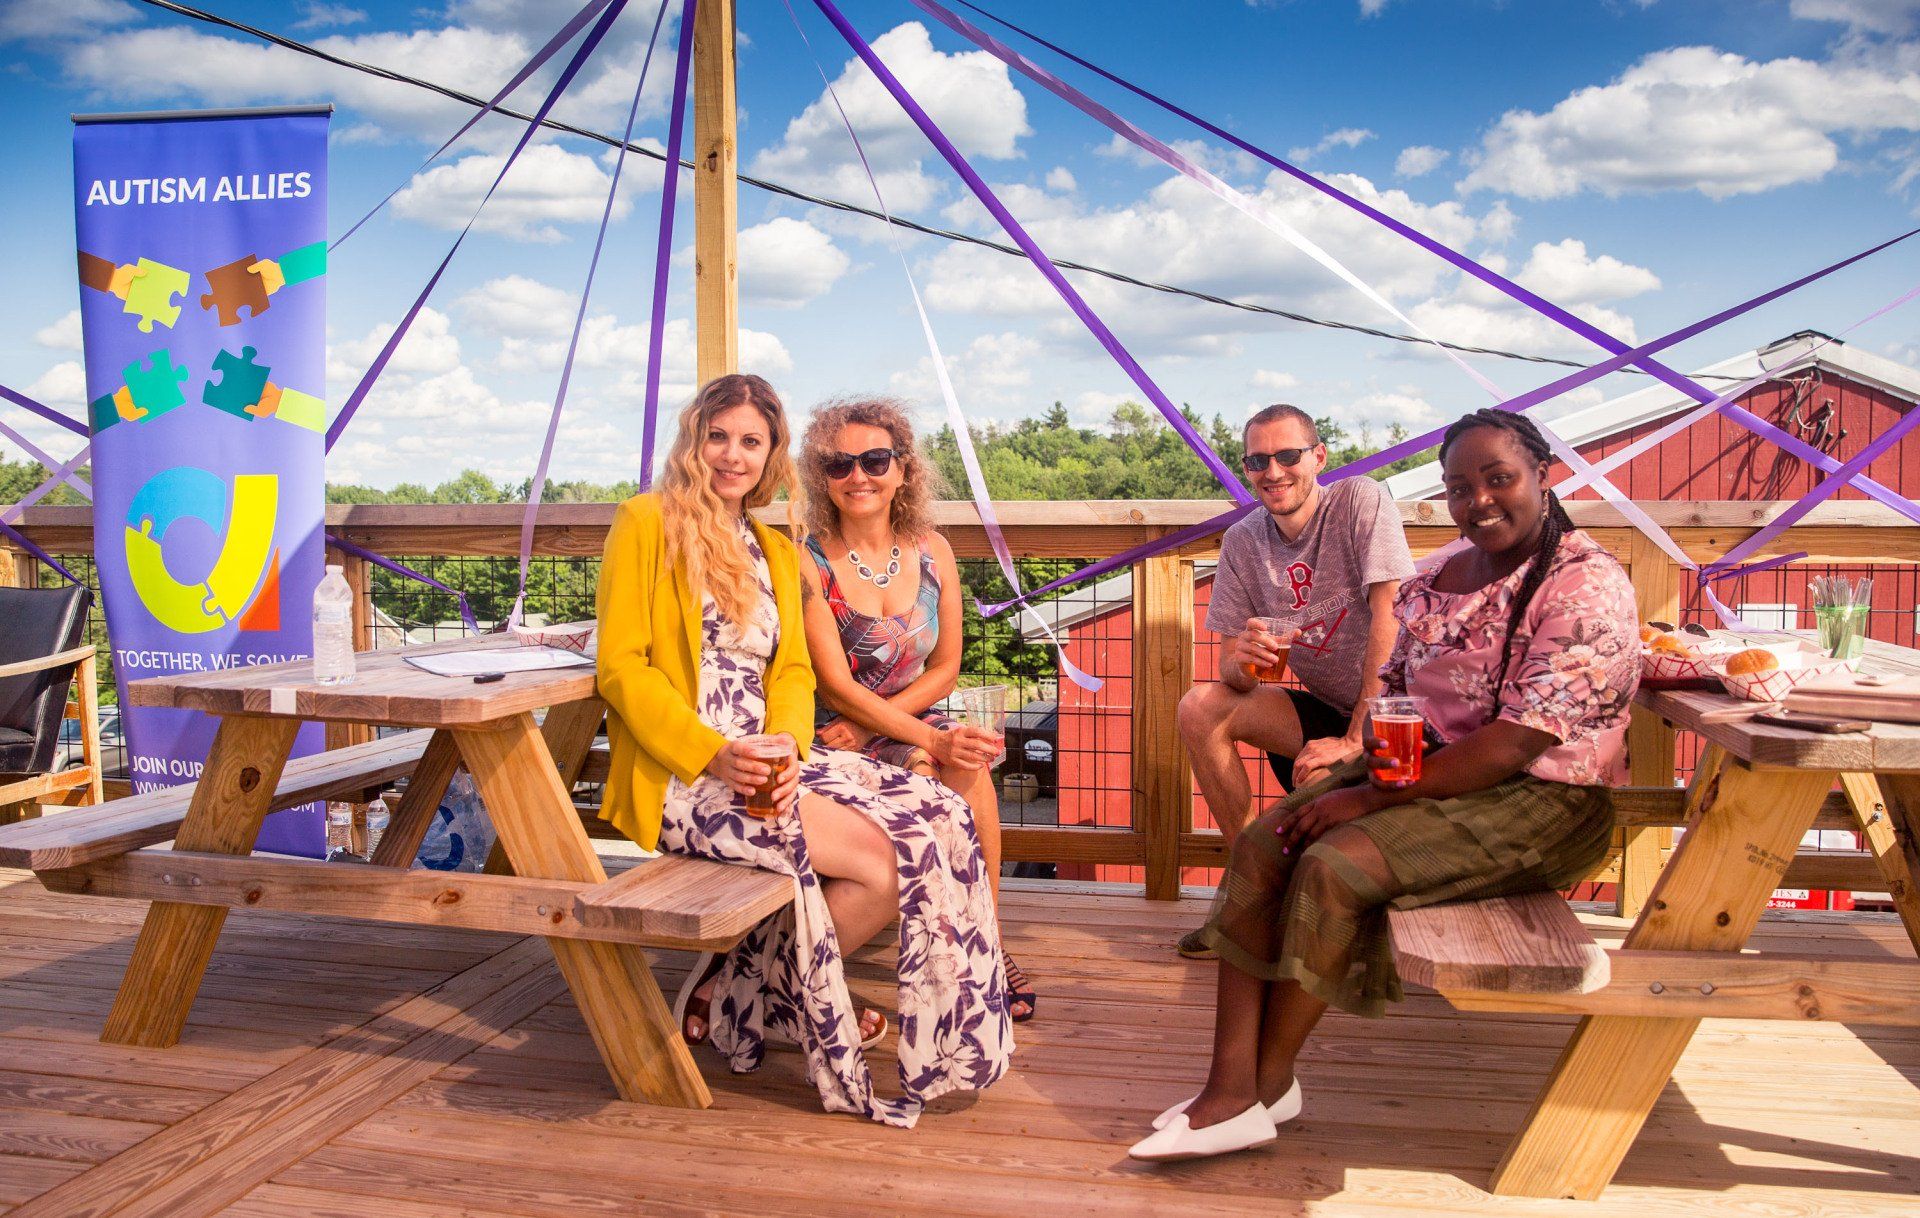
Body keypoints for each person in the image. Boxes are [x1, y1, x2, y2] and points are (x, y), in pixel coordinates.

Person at [1127, 408, 1637, 1161]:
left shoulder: (1585, 584)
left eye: (1500, 479)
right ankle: (1229, 1084)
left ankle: (1262, 1088)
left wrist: (1365, 792)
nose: (1480, 501)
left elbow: (1516, 744)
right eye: (1461, 488)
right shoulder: (1438, 574)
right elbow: (1397, 679)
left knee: (1335, 865)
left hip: (1544, 795)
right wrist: (1361, 750)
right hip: (1421, 765)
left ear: (1543, 474)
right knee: (1266, 845)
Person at [596, 373, 1012, 1128]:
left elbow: (789, 668)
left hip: (775, 759)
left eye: (751, 441)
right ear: (694, 440)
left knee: (935, 818)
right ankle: (767, 994)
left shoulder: (770, 545)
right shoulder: (645, 521)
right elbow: (619, 667)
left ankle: (745, 988)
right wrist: (714, 754)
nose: (732, 455)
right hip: (686, 773)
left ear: (772, 453)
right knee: (885, 864)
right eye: (717, 436)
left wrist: (785, 746)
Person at [795, 396, 1038, 1022]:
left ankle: (990, 942)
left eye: (875, 459)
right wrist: (923, 740)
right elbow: (834, 684)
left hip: (898, 718)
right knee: (935, 769)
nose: (859, 476)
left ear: (903, 469)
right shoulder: (806, 559)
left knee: (968, 768)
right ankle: (935, 953)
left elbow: (946, 668)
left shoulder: (934, 550)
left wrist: (921, 734)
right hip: (833, 734)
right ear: (820, 478)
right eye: (838, 464)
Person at [1174, 403, 1414, 958]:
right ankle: (1252, 892)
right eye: (1257, 460)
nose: (1273, 471)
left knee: (1319, 789)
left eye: (1288, 455)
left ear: (1318, 457)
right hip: (1328, 704)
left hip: (1403, 716)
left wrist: (1357, 738)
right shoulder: (1243, 541)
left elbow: (1391, 618)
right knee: (1198, 706)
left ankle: (1328, 918)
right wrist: (1245, 657)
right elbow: (1230, 667)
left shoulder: (1359, 500)